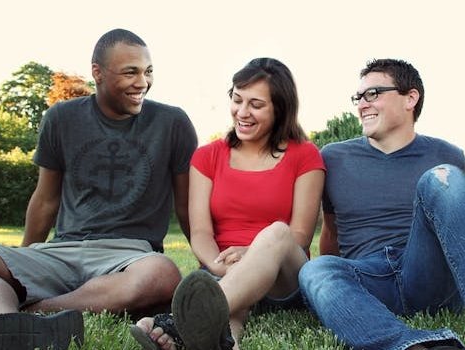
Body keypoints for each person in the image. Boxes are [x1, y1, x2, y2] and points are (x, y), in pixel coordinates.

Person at [0, 28, 197, 350]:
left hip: (129, 255)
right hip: (62, 250)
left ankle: (25, 317)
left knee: (163, 273)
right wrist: (21, 258)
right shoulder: (62, 117)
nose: (142, 82)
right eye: (130, 72)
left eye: (148, 71)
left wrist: (204, 266)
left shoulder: (172, 123)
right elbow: (46, 199)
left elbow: (187, 206)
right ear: (97, 73)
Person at [298, 58, 465, 350]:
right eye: (359, 97)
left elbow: (461, 228)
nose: (362, 104)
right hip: (370, 280)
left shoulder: (447, 155)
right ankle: (410, 345)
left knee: (442, 178)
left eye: (373, 94)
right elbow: (332, 233)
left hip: (428, 274)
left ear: (410, 98)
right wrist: (335, 287)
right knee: (315, 270)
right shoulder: (334, 157)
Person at [130, 57, 325, 350]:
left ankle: (178, 321)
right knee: (227, 318)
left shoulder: (305, 155)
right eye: (237, 100)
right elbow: (200, 233)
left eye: (256, 105)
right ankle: (220, 340)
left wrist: (252, 254)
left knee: (277, 232)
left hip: (283, 279)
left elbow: (299, 237)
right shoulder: (207, 156)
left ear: (280, 108)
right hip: (221, 272)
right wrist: (222, 268)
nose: (242, 112)